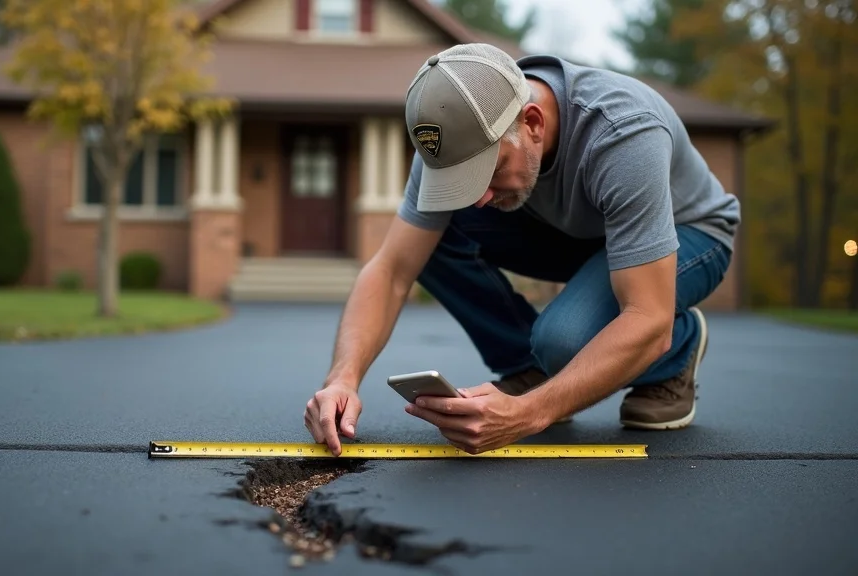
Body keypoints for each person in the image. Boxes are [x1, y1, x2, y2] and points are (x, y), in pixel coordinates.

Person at [303, 43, 738, 456]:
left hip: (689, 235)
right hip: (574, 231)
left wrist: (529, 413)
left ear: (532, 122)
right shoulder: (450, 142)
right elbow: (392, 269)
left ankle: (679, 350)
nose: (477, 198)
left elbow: (647, 318)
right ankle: (528, 366)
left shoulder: (622, 134)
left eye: (488, 172)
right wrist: (342, 379)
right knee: (429, 235)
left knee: (565, 341)